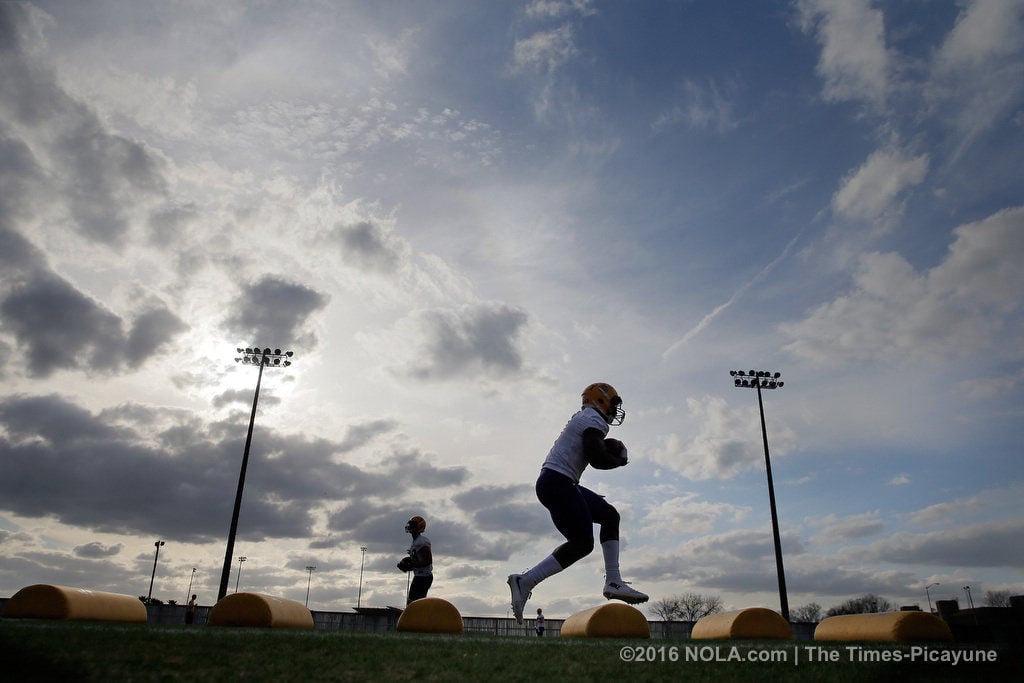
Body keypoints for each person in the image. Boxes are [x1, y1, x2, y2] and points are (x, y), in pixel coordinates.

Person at [507, 382, 648, 623]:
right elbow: (597, 459)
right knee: (582, 543)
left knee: (609, 515)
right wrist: (618, 460)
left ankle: (613, 579)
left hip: (559, 481)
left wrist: (607, 451)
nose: (615, 411)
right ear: (600, 400)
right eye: (613, 404)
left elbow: (594, 452)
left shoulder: (586, 417)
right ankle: (526, 580)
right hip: (558, 481)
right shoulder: (593, 419)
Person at [397, 515, 433, 604]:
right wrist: (406, 562)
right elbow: (419, 559)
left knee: (415, 604)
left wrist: (412, 565)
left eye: (413, 525)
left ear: (419, 527)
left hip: (424, 577)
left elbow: (428, 560)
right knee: (412, 603)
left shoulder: (422, 542)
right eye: (411, 525)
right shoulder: (416, 541)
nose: (410, 527)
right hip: (419, 576)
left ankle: (421, 617)